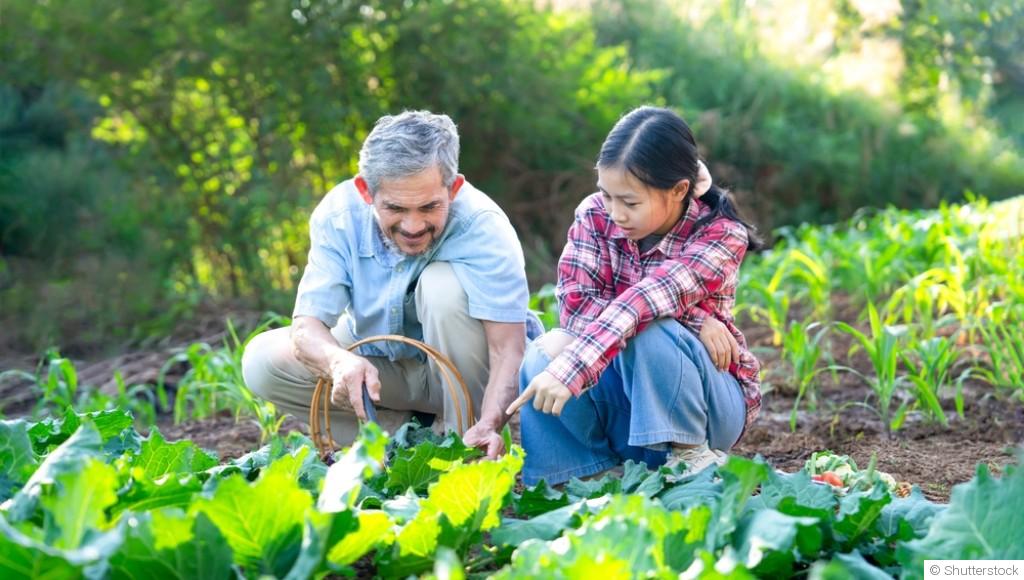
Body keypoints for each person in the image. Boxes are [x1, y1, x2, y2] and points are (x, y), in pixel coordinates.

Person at [242, 111, 537, 456]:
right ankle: (405, 439)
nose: (413, 226)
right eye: (395, 208)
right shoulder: (339, 216)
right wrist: (338, 361)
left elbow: (507, 349)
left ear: (453, 188)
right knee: (262, 361)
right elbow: (307, 326)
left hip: (467, 371)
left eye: (429, 207)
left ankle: (464, 441)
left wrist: (489, 423)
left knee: (441, 286)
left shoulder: (482, 225)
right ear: (365, 191)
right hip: (381, 370)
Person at [506, 106, 762, 485]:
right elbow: (577, 309)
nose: (615, 213)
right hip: (625, 398)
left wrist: (573, 370)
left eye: (630, 202)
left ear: (678, 191)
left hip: (706, 405)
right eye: (607, 196)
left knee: (651, 329)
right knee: (547, 349)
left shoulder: (720, 234)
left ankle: (689, 458)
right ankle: (584, 475)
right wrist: (695, 318)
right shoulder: (594, 216)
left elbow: (649, 299)